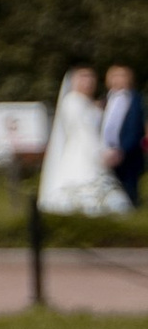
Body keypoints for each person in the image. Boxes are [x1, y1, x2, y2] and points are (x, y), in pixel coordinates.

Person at [39, 64, 127, 217]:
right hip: (82, 153)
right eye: (83, 77)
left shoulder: (88, 102)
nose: (88, 82)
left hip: (92, 150)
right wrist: (101, 153)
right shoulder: (72, 102)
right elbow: (85, 133)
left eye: (91, 78)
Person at [104, 62, 144, 210]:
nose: (118, 79)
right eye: (115, 76)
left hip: (127, 151)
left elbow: (135, 128)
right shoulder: (108, 98)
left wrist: (122, 150)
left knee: (128, 186)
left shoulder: (135, 99)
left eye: (122, 76)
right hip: (107, 149)